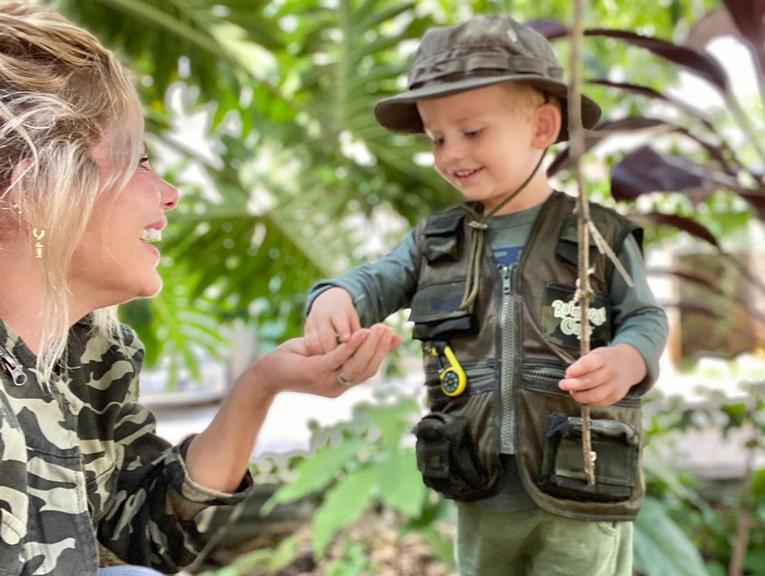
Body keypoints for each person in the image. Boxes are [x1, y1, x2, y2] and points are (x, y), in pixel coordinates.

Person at [0, 4, 400, 575]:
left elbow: (147, 539)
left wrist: (261, 385)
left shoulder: (86, 355)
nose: (169, 194)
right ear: (40, 180)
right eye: (138, 162)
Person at [305, 14, 668, 576]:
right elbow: (375, 282)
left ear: (543, 126)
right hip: (478, 478)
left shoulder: (601, 233)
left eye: (472, 132)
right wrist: (335, 297)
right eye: (437, 138)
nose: (452, 153)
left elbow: (644, 316)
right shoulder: (435, 241)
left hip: (582, 474)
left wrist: (628, 358)